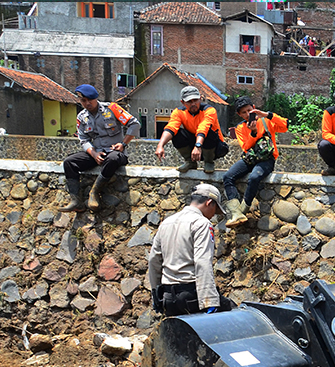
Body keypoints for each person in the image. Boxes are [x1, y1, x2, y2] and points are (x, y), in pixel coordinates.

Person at [147, 183, 234, 316]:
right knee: (233, 313)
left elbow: (154, 260)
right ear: (209, 203)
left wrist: (156, 294)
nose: (213, 216)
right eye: (215, 210)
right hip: (191, 295)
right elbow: (202, 262)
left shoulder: (166, 222)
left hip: (168, 297)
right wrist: (209, 302)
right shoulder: (201, 224)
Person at [59, 84, 140, 213]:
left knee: (113, 158)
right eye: (83, 101)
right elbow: (83, 139)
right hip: (97, 153)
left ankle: (95, 191)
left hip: (116, 153)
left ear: (95, 98)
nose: (87, 104)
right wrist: (94, 154)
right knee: (70, 162)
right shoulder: (82, 117)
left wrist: (123, 144)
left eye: (89, 100)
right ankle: (76, 201)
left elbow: (134, 124)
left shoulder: (112, 108)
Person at [223, 96, 288, 227]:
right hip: (250, 158)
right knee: (228, 176)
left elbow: (285, 125)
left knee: (254, 177)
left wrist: (267, 114)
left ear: (253, 108)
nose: (247, 115)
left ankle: (243, 210)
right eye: (243, 113)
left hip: (267, 159)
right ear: (239, 114)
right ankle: (235, 211)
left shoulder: (266, 121)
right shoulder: (240, 128)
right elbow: (246, 147)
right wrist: (253, 132)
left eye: (249, 110)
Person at [154, 86, 227, 174]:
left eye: (195, 100)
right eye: (189, 101)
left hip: (215, 147)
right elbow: (171, 127)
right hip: (194, 146)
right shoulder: (178, 112)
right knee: (177, 134)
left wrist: (198, 145)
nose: (193, 104)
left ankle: (209, 162)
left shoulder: (209, 110)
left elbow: (203, 127)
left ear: (200, 99)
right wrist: (160, 145)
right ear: (183, 102)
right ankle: (190, 162)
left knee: (208, 132)